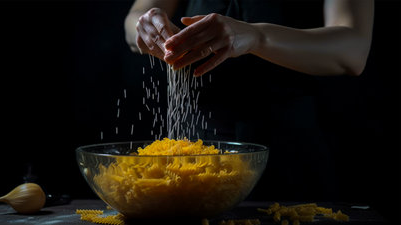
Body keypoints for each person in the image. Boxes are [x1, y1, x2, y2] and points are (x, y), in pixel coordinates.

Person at [124, 0, 374, 200]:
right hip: (195, 153)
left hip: (289, 156)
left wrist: (258, 36)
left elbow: (353, 49)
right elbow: (136, 14)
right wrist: (146, 24)